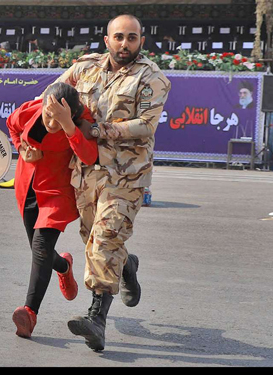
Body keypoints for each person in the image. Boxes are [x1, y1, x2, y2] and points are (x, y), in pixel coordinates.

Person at [52, 14, 172, 351]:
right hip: (87, 172)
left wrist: (95, 130)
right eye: (118, 37)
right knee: (94, 241)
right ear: (107, 40)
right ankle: (127, 265)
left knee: (104, 241)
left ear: (141, 41)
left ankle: (96, 319)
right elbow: (54, 95)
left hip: (127, 176)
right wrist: (46, 124)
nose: (125, 44)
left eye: (132, 38)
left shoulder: (153, 78)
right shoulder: (84, 68)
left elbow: (145, 125)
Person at [6, 82, 98, 339]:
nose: (51, 122)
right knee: (40, 252)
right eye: (48, 115)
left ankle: (29, 313)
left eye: (58, 118)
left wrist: (68, 126)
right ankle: (63, 266)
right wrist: (22, 151)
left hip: (57, 192)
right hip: (28, 188)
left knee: (41, 248)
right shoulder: (32, 109)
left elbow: (89, 156)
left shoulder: (80, 121)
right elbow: (12, 125)